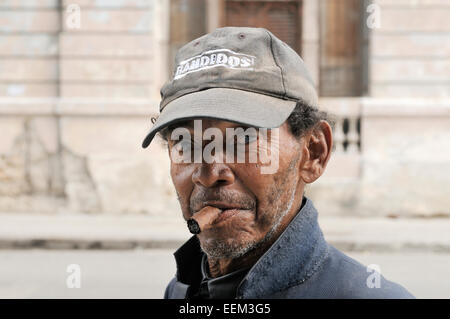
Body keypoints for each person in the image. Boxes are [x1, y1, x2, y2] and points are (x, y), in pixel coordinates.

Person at [141, 27, 414, 299]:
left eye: (243, 139)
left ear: (313, 152)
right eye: (186, 144)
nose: (209, 173)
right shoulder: (181, 290)